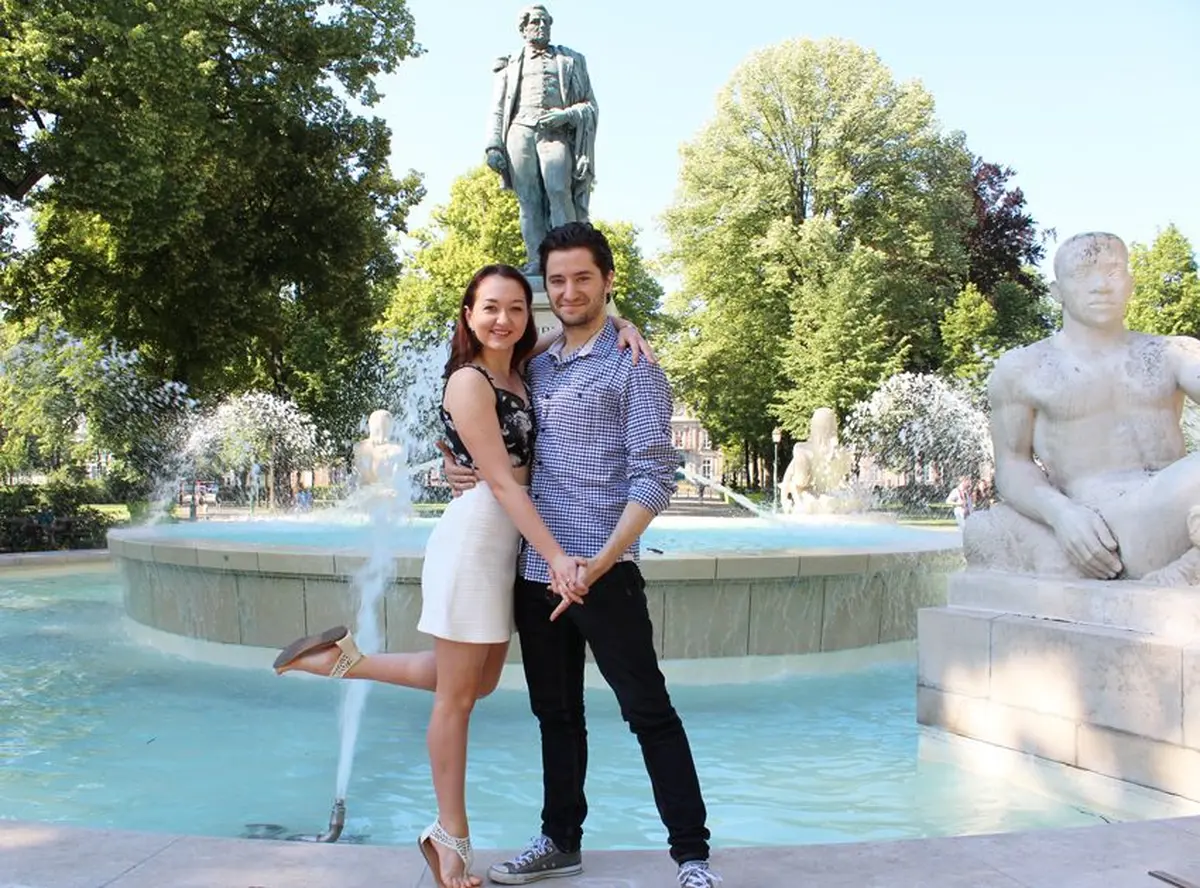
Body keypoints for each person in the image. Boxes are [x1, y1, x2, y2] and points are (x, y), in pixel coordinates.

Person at [271, 265, 652, 888]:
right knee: (457, 699)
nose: (504, 319)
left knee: (474, 683)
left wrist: (626, 324)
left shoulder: (522, 368)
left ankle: (341, 660)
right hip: (479, 537)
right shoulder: (470, 382)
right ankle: (450, 835)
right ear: (468, 315)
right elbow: (501, 480)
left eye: (517, 309)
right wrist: (557, 555)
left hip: (509, 543)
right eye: (490, 308)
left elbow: (584, 331)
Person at [444, 223, 720, 888]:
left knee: (648, 711)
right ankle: (559, 840)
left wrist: (597, 563)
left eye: (583, 278)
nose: (569, 291)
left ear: (607, 282)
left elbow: (655, 477)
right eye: (558, 280)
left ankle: (691, 856)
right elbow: (498, 443)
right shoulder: (532, 366)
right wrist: (460, 470)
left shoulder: (636, 365)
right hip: (536, 572)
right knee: (556, 715)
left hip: (605, 573)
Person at [966, 231, 1200, 585]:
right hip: (1098, 529)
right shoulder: (1025, 368)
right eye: (1081, 274)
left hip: (1175, 513)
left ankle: (1184, 569)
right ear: (1057, 292)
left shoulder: (1170, 353)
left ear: (1130, 283)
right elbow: (1012, 466)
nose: (1100, 286)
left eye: (1113, 271)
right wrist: (1062, 515)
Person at [486, 4, 598, 272]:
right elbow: (498, 107)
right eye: (536, 21)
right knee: (529, 200)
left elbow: (590, 105)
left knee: (560, 191)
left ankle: (568, 258)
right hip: (519, 130)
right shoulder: (510, 65)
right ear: (523, 28)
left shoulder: (571, 61)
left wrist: (566, 115)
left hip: (555, 132)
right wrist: (493, 144)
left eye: (546, 20)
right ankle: (537, 261)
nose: (542, 25)